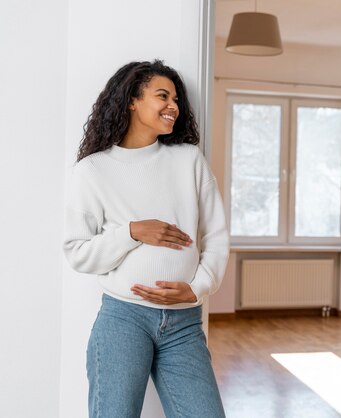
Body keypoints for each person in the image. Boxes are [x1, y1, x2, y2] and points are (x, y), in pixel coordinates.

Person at [63, 60, 229, 418]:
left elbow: (216, 236)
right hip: (124, 319)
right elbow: (77, 252)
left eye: (176, 99)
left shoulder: (189, 160)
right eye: (162, 96)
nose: (174, 106)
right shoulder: (93, 170)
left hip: (184, 323)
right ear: (131, 101)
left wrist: (198, 287)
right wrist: (132, 232)